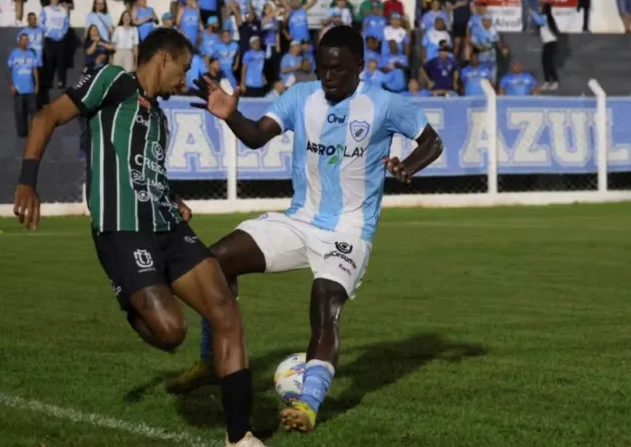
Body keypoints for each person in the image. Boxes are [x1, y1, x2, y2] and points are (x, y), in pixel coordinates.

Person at [172, 25, 444, 433]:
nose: (328, 77)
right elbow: (256, 137)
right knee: (215, 262)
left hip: (349, 230)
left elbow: (432, 142)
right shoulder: (301, 96)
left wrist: (408, 166)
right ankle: (212, 360)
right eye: (322, 68)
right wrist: (232, 116)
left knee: (324, 303)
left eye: (338, 69)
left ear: (359, 65)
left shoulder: (385, 104)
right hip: (298, 220)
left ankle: (308, 405)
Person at [12, 28, 263, 447]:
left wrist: (173, 198)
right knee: (170, 333)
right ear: (163, 59)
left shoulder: (159, 118)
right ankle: (133, 298)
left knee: (226, 310)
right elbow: (46, 116)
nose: (185, 79)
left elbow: (147, 172)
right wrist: (26, 181)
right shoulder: (112, 80)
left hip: (168, 225)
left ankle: (240, 437)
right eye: (183, 69)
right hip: (122, 229)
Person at [8, 33, 40, 138]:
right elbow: (9, 70)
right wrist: (11, 85)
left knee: (33, 111)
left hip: (30, 88)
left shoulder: (31, 54)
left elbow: (35, 69)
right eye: (23, 40)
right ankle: (22, 133)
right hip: (18, 89)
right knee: (20, 112)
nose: (25, 42)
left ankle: (34, 132)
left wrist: (37, 84)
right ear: (19, 41)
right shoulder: (14, 54)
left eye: (27, 40)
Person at [40, 0, 70, 90]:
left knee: (61, 61)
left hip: (61, 40)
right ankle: (48, 81)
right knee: (49, 60)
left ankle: (61, 81)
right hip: (49, 38)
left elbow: (66, 23)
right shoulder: (45, 9)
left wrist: (62, 33)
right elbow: (40, 23)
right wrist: (49, 31)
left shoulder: (63, 10)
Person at [530, 2, 559, 90]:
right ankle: (549, 82)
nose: (540, 8)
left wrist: (532, 13)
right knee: (546, 63)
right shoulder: (546, 17)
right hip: (548, 43)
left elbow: (539, 20)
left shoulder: (545, 17)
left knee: (548, 63)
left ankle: (553, 82)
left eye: (542, 7)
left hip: (550, 43)